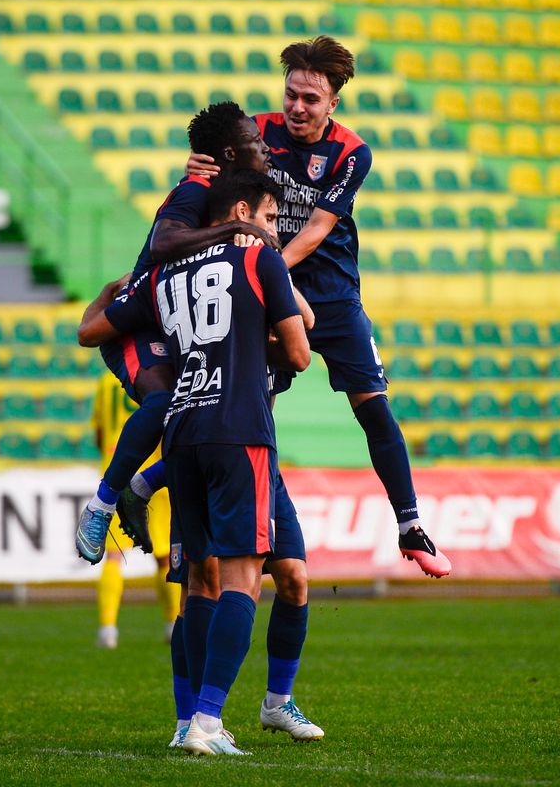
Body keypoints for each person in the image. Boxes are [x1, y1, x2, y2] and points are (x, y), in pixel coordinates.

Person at [187, 36, 451, 578]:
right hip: (263, 294)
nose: (298, 107)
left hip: (330, 297)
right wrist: (196, 169)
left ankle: (409, 525)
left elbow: (316, 229)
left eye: (311, 98)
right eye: (292, 95)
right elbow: (208, 187)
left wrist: (266, 263)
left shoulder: (353, 153)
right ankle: (253, 527)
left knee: (374, 407)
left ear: (333, 104)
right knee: (253, 415)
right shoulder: (254, 131)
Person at [79, 169, 311, 756]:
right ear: (238, 212)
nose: (273, 230)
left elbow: (96, 329)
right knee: (237, 581)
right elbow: (303, 353)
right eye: (266, 218)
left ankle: (200, 720)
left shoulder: (162, 274)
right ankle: (206, 721)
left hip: (183, 429)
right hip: (241, 431)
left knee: (205, 586)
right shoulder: (260, 264)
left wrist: (109, 295)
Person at [75, 102, 277, 565]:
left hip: (179, 319)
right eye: (253, 142)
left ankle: (142, 488)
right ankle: (101, 505)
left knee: (215, 415)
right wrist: (237, 227)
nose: (263, 147)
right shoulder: (196, 189)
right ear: (229, 152)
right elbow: (164, 243)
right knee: (168, 402)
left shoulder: (230, 191)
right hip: (140, 318)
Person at [89, 372, 179, 649]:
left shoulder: (107, 381)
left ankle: (108, 628)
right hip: (155, 475)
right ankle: (173, 624)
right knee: (165, 557)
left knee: (114, 556)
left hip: (118, 474)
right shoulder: (165, 374)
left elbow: (100, 433)